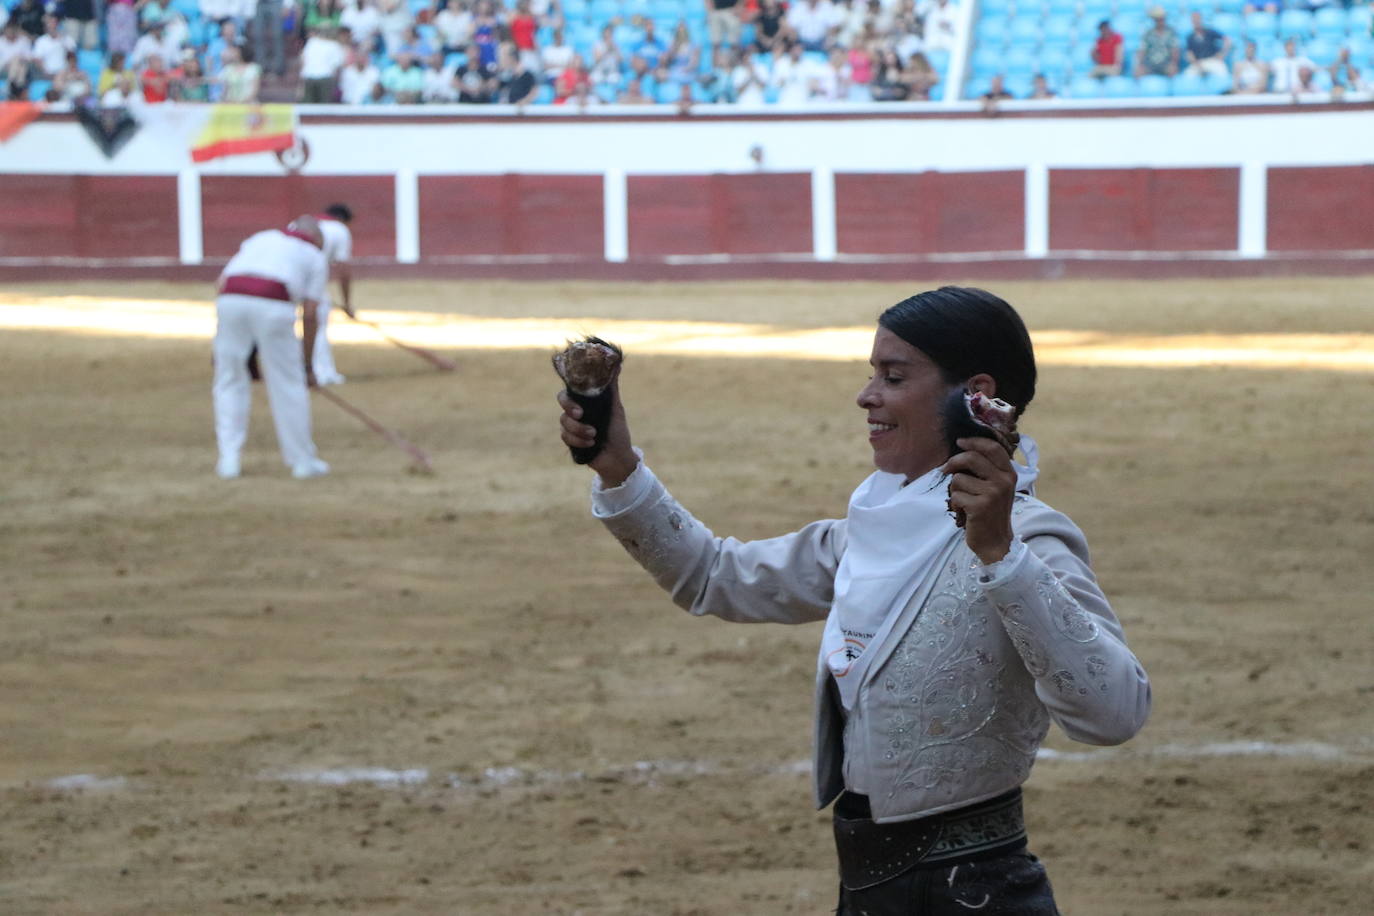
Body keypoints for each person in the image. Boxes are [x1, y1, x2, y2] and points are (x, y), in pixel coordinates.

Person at [554, 286, 1152, 915]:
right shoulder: (873, 524)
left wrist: (1002, 552)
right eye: (872, 375)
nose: (867, 396)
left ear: (976, 394)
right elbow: (713, 576)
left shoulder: (1030, 537)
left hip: (980, 894)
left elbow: (1114, 712)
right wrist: (618, 466)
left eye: (893, 377)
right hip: (871, 890)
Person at [212, 215, 331, 480]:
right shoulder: (315, 256)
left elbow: (222, 282)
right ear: (317, 240)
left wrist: (222, 339)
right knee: (288, 384)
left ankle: (228, 460)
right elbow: (310, 314)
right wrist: (307, 366)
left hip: (230, 301)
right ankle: (302, 461)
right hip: (274, 305)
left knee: (229, 379)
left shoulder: (261, 237)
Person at [308, 203, 356, 386]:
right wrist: (347, 303)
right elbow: (343, 269)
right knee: (317, 326)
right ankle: (322, 372)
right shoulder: (339, 230)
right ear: (343, 219)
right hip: (312, 282)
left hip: (282, 282)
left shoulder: (300, 223)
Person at [1182, 11, 1230, 79]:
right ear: (1192, 21)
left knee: (1223, 72)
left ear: (1201, 20)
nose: (1196, 21)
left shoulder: (1210, 32)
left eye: (1198, 19)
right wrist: (1196, 63)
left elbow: (1227, 39)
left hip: (1212, 60)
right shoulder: (1190, 37)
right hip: (1198, 63)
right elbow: (1189, 54)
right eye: (1194, 19)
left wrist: (1222, 54)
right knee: (1187, 77)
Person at [1134, 6, 1180, 78]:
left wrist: (1173, 63)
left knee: (1173, 70)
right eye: (1157, 19)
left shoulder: (1171, 32)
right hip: (1150, 64)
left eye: (1161, 19)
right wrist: (1140, 64)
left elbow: (1175, 50)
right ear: (1154, 20)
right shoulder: (1148, 33)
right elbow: (1142, 50)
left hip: (1165, 64)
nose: (1160, 21)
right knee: (1138, 72)